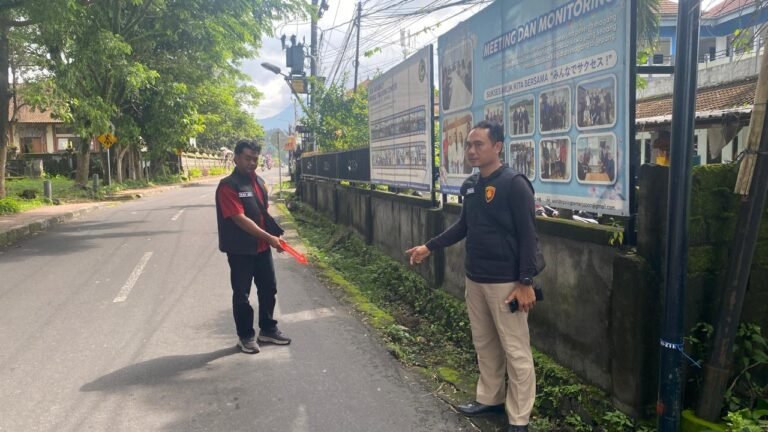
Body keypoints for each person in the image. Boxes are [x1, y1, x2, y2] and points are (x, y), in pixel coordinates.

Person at [405, 121, 543, 432]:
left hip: (506, 283)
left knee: (516, 350)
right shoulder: (471, 185)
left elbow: (528, 236)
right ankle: (491, 399)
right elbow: (463, 226)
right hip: (475, 278)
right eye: (468, 144)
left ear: (498, 147)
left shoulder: (515, 184)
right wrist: (429, 246)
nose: (471, 150)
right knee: (485, 343)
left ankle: (519, 418)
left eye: (479, 144)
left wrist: (525, 282)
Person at [215, 139, 291, 354]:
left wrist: (275, 238)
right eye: (247, 158)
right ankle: (245, 336)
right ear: (236, 158)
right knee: (242, 294)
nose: (251, 163)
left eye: (255, 159)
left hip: (262, 248)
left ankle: (267, 329)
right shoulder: (228, 186)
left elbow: (262, 214)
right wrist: (269, 237)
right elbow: (239, 218)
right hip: (240, 250)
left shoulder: (259, 181)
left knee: (269, 289)